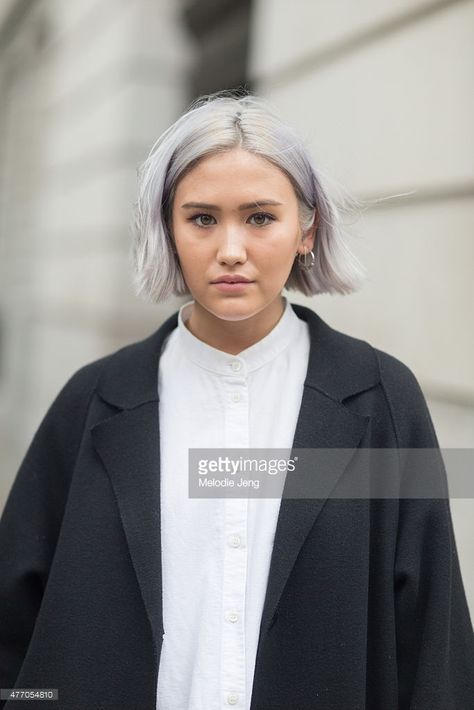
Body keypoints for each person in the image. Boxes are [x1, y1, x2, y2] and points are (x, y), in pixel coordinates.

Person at [0, 89, 473, 710]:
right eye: (201, 219)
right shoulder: (95, 402)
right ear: (167, 231)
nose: (230, 250)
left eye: (259, 217)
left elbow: (431, 628)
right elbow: (13, 619)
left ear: (308, 230)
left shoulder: (380, 399)